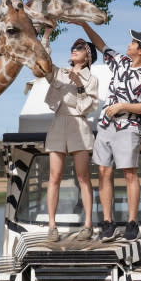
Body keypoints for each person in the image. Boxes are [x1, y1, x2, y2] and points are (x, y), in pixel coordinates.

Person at [71, 21, 141, 241]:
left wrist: (122, 106)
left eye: (133, 42)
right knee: (103, 172)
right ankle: (108, 222)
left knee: (130, 174)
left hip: (128, 127)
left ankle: (131, 222)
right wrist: (83, 25)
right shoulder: (120, 62)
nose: (128, 44)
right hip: (105, 126)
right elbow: (101, 45)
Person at [43, 38, 100, 242]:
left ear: (87, 56)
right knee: (54, 177)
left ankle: (88, 225)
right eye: (72, 47)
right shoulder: (59, 72)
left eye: (79, 48)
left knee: (83, 177)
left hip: (79, 126)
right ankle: (52, 226)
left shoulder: (92, 80)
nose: (73, 50)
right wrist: (46, 35)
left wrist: (79, 86)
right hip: (58, 124)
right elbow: (42, 60)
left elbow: (87, 107)